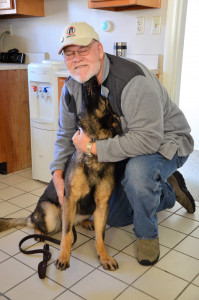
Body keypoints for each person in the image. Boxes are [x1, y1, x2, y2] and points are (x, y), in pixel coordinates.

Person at [50, 22, 195, 266]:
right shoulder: (72, 86)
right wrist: (57, 171)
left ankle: (148, 237)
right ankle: (168, 191)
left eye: (82, 50)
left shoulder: (131, 80)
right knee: (115, 216)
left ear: (99, 50)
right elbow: (66, 133)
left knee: (138, 175)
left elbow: (149, 139)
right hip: (122, 147)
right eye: (69, 53)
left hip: (165, 143)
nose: (76, 59)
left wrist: (92, 148)